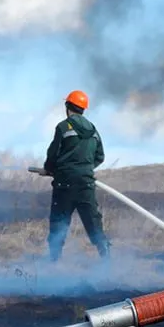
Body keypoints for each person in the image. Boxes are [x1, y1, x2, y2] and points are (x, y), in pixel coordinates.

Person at [42, 89, 110, 261]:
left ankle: (53, 263)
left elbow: (53, 155)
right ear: (83, 109)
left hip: (64, 185)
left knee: (59, 223)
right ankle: (107, 262)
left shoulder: (63, 127)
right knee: (94, 224)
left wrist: (51, 169)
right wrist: (85, 169)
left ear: (67, 106)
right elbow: (100, 156)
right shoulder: (94, 130)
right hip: (86, 185)